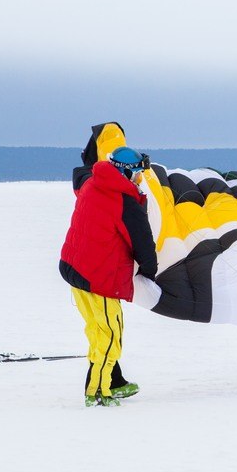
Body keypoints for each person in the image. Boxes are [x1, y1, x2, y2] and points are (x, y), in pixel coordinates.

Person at [59, 146, 160, 405]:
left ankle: (111, 382)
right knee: (111, 335)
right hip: (99, 279)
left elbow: (80, 174)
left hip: (74, 270)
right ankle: (98, 393)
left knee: (97, 332)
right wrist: (150, 272)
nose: (139, 180)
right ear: (125, 173)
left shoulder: (92, 183)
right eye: (137, 175)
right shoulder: (125, 202)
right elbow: (143, 244)